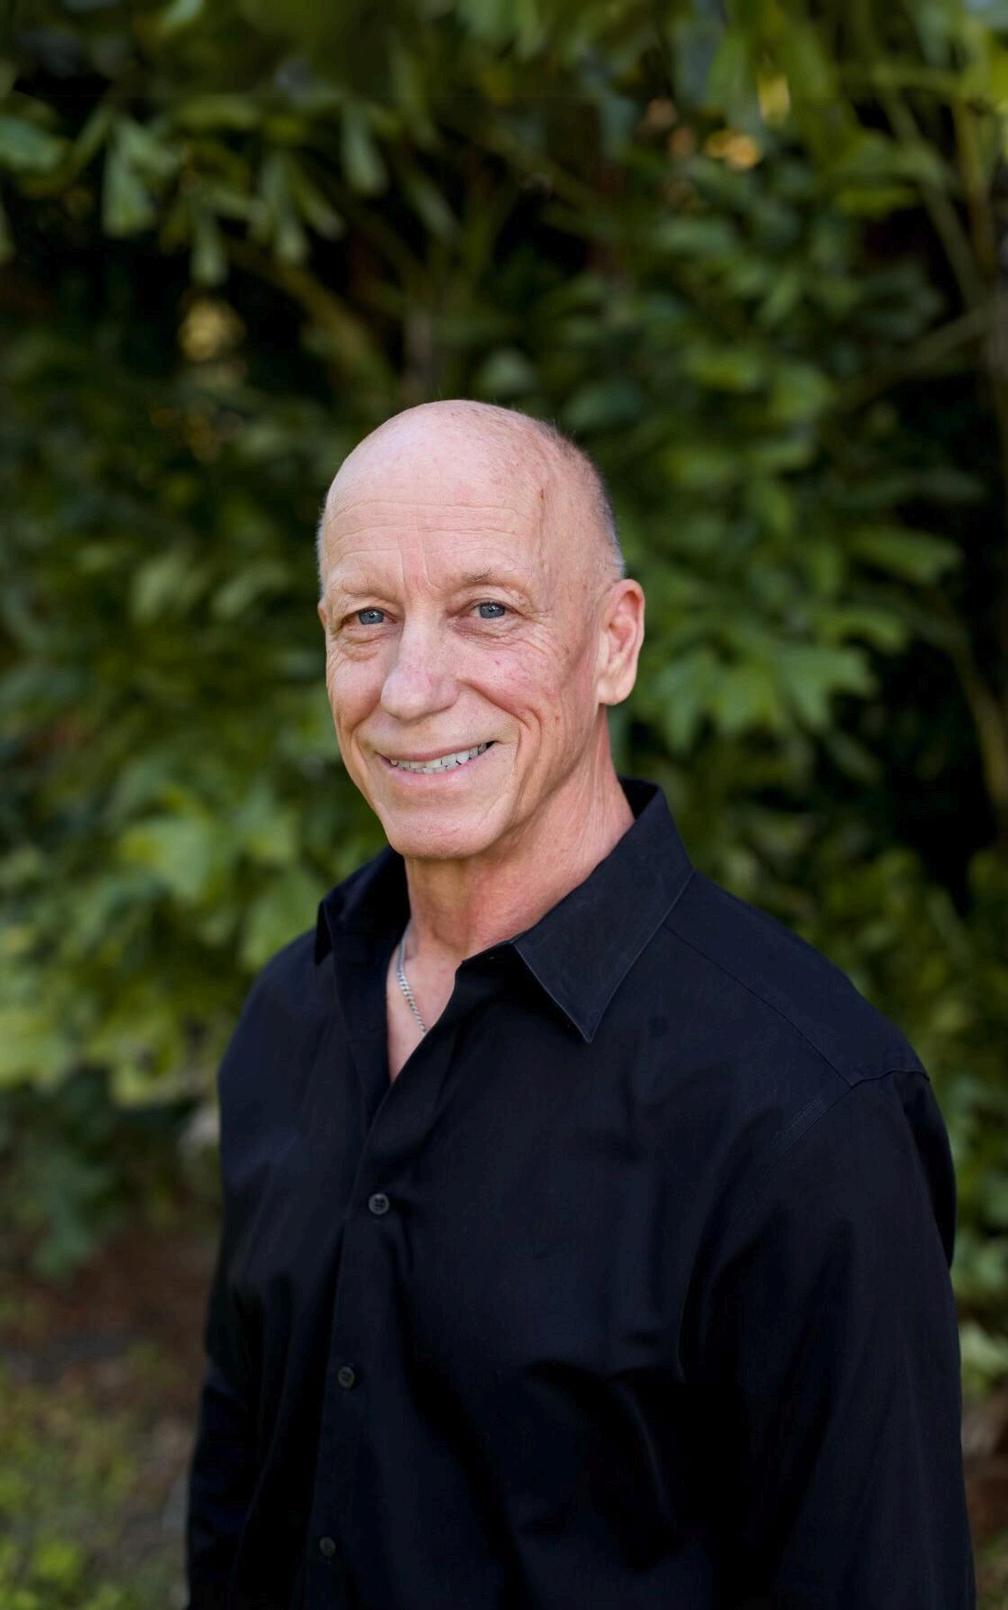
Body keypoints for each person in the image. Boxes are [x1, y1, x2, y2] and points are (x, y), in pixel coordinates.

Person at [185, 399, 976, 1609]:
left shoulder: (807, 1112)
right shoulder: (291, 1015)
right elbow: (243, 1486)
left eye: (487, 610)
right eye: (367, 618)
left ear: (615, 642)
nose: (411, 686)